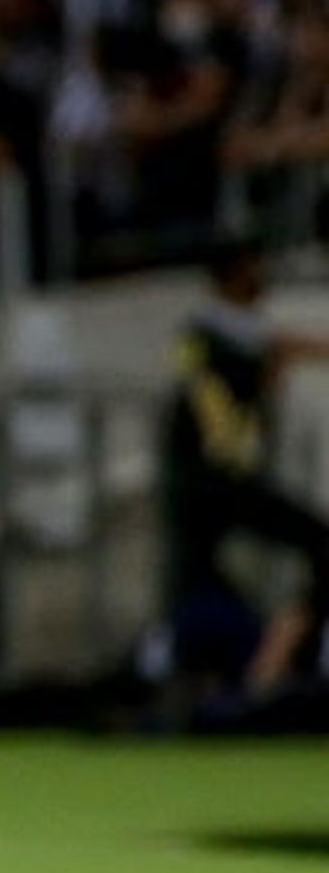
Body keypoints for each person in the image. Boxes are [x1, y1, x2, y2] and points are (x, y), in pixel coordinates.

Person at [162, 237, 329, 695]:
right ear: (235, 273)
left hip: (220, 482)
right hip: (212, 482)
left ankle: (265, 665)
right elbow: (217, 384)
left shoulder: (233, 333)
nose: (263, 275)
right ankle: (252, 670)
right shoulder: (204, 336)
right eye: (255, 266)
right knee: (200, 582)